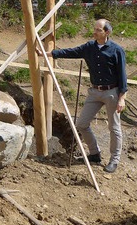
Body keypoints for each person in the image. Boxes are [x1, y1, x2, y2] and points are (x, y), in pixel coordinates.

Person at [43, 18, 127, 173]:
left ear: (107, 32)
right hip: (95, 92)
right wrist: (49, 54)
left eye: (98, 30)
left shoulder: (116, 50)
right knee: (81, 124)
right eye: (94, 29)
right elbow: (72, 52)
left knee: (114, 127)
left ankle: (114, 160)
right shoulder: (89, 47)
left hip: (111, 93)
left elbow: (122, 76)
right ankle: (95, 154)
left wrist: (122, 98)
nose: (94, 32)